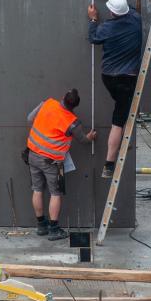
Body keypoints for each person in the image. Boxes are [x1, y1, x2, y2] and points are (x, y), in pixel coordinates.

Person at [26, 89, 97, 240]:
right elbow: (83, 140)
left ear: (63, 97)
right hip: (51, 162)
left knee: (37, 190)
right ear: (75, 106)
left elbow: (30, 118)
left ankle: (41, 226)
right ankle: (54, 229)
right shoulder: (72, 122)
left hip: (32, 154)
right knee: (55, 193)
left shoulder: (48, 103)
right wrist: (90, 137)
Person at [88, 0, 142, 178]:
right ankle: (109, 164)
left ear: (111, 11)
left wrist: (94, 19)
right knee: (118, 121)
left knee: (121, 112)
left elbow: (93, 38)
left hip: (108, 78)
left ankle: (111, 160)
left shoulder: (105, 28)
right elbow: (127, 7)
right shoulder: (136, 19)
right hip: (127, 79)